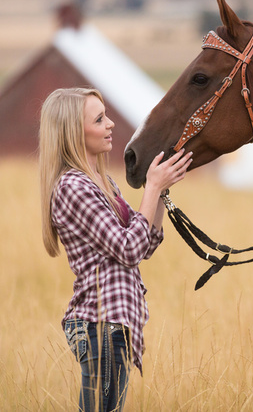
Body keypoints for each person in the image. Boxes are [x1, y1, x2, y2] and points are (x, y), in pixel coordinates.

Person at [38, 87, 191, 411]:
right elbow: (128, 248)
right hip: (101, 325)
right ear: (74, 133)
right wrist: (151, 187)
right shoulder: (73, 187)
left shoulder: (103, 183)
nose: (110, 124)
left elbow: (146, 243)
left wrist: (161, 192)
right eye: (99, 119)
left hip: (111, 328)